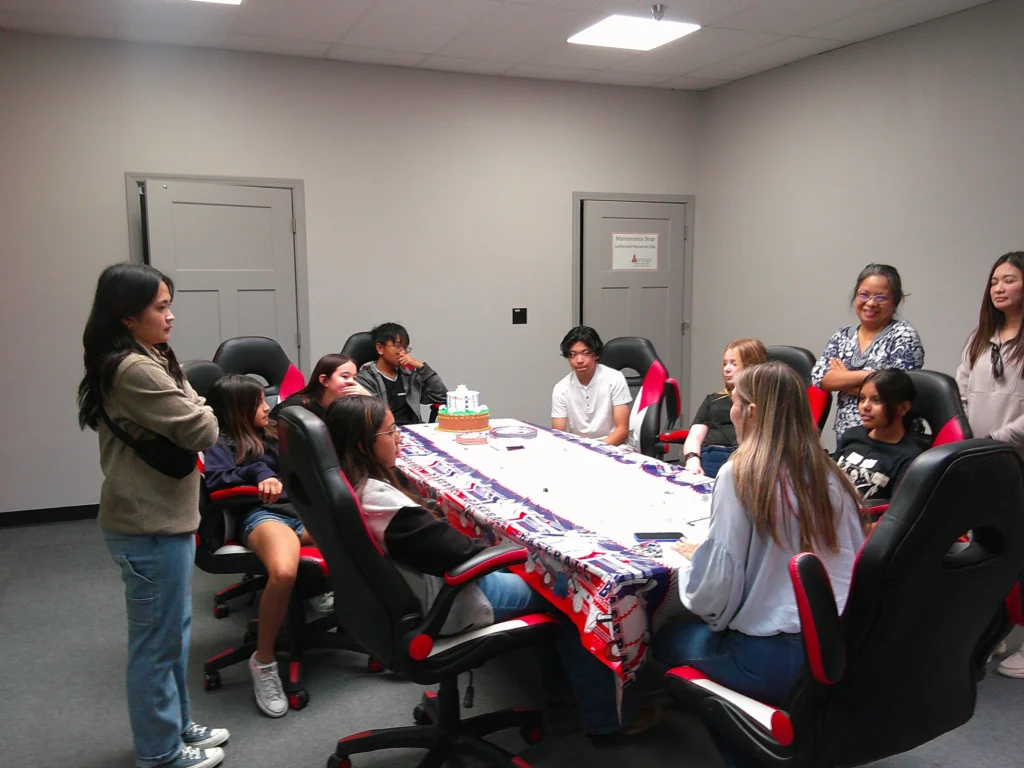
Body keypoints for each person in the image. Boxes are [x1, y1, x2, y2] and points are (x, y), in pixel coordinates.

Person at [324, 395, 660, 739]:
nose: (400, 437)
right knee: (569, 592)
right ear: (364, 446)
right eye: (391, 430)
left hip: (410, 596)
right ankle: (605, 719)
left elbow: (439, 542)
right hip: (448, 599)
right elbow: (458, 551)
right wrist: (515, 545)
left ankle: (563, 699)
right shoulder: (385, 506)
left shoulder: (350, 489)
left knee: (540, 572)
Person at [652, 362, 865, 768]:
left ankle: (746, 743)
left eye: (733, 402)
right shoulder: (830, 472)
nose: (730, 410)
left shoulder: (740, 474)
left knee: (666, 638)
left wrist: (694, 565)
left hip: (775, 655)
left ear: (749, 412)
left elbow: (715, 593)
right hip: (839, 648)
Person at [78, 264, 227, 768]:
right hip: (148, 527)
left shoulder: (146, 357)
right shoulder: (135, 369)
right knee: (155, 644)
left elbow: (191, 414)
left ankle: (177, 726)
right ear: (127, 316)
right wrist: (201, 405)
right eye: (160, 307)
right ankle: (160, 752)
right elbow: (203, 428)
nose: (171, 316)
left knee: (172, 634)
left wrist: (194, 404)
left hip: (163, 522)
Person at [204, 374, 315, 718]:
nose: (267, 406)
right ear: (238, 409)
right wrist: (257, 474)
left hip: (304, 513)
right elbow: (217, 480)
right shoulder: (219, 442)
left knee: (373, 530)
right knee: (283, 573)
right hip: (265, 515)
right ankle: (264, 661)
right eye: (258, 403)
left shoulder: (272, 433)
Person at [955, 251, 1024, 678]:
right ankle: (992, 632)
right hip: (983, 462)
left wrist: (991, 443)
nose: (999, 287)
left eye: (1010, 279)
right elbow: (959, 397)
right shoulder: (980, 339)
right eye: (995, 280)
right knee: (990, 549)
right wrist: (967, 441)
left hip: (1012, 458)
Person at [811, 264, 925, 443]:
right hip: (848, 439)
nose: (871, 303)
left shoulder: (903, 334)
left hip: (890, 443)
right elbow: (820, 378)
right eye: (864, 295)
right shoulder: (842, 335)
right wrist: (873, 376)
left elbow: (894, 390)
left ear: (895, 301)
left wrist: (843, 378)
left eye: (881, 297)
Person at [834, 369, 922, 505]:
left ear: (903, 408)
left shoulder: (910, 458)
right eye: (862, 399)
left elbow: (895, 515)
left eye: (876, 400)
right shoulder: (852, 435)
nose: (865, 407)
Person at [682, 339, 767, 478]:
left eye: (734, 364)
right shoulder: (713, 399)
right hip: (711, 457)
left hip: (746, 460)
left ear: (752, 366)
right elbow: (695, 435)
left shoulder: (766, 400)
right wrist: (692, 459)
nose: (727, 369)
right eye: (724, 363)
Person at [551, 326, 631, 445]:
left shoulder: (614, 378)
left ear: (596, 355)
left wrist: (597, 450)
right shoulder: (561, 388)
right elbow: (559, 434)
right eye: (573, 355)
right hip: (579, 448)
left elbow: (622, 430)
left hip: (615, 446)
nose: (579, 360)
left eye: (585, 353)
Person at [356, 322, 448, 425]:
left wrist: (421, 367)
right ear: (380, 348)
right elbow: (373, 417)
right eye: (397, 346)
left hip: (414, 430)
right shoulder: (366, 379)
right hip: (385, 433)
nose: (403, 352)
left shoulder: (408, 376)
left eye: (405, 347)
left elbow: (441, 397)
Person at [271, 353, 369, 421]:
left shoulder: (349, 408)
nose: (352, 382)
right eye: (345, 376)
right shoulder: (296, 405)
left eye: (354, 378)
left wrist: (368, 397)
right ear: (324, 380)